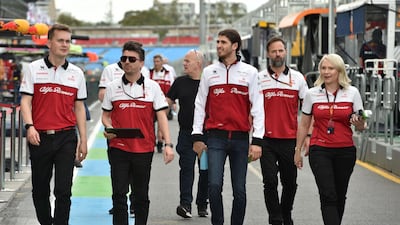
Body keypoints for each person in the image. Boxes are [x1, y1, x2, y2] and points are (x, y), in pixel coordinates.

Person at [192, 28, 265, 225]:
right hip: (215, 138)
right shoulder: (209, 72)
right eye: (217, 42)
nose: (218, 46)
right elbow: (200, 105)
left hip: (241, 139)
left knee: (239, 190)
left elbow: (258, 107)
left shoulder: (250, 72)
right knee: (214, 186)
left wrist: (257, 141)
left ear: (235, 46)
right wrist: (197, 136)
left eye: (223, 42)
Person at [19, 23, 88, 225]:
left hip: (66, 137)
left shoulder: (77, 73)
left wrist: (83, 140)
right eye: (60, 40)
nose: (65, 44)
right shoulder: (33, 69)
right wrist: (29, 126)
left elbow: (79, 108)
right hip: (39, 136)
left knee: (63, 190)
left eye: (68, 41)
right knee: (40, 189)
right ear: (49, 43)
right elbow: (25, 101)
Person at [102, 41, 174, 225]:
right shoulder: (112, 87)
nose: (127, 62)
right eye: (124, 58)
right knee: (119, 194)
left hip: (144, 149)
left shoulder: (153, 87)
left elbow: (162, 116)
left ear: (141, 63)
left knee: (141, 196)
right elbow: (105, 116)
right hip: (118, 148)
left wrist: (168, 144)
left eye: (131, 59)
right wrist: (108, 128)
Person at [294, 53, 366, 225]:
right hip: (320, 150)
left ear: (339, 70)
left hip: (345, 150)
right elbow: (304, 125)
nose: (326, 72)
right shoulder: (312, 94)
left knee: (340, 195)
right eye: (323, 68)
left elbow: (362, 125)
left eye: (330, 68)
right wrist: (297, 151)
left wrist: (360, 122)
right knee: (328, 194)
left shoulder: (352, 93)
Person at [258, 36, 309, 225]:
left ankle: (285, 213)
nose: (277, 54)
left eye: (280, 50)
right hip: (266, 139)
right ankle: (275, 217)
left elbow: (308, 109)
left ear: (285, 52)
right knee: (270, 181)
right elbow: (251, 109)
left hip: (290, 140)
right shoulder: (259, 78)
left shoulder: (298, 78)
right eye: (273, 51)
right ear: (268, 54)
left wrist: (308, 137)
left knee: (290, 183)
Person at [166, 49, 209, 219]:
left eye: (187, 61)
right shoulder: (179, 82)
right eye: (184, 61)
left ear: (198, 64)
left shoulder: (208, 83)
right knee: (186, 169)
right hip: (186, 134)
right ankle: (185, 204)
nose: (184, 64)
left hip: (205, 135)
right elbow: (168, 102)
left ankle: (202, 204)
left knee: (205, 170)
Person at [149, 54, 175, 152]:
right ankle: (152, 141)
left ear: (162, 62)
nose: (156, 64)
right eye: (154, 62)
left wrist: (173, 102)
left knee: (161, 124)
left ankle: (160, 142)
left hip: (163, 103)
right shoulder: (150, 73)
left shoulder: (168, 73)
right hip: (151, 103)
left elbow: (172, 88)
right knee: (150, 124)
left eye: (158, 61)